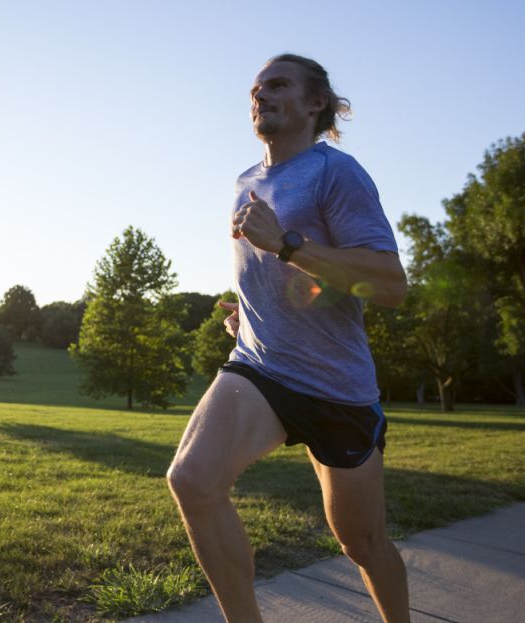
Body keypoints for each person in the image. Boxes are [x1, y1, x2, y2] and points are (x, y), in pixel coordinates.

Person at [166, 54, 410, 623]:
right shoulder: (245, 182)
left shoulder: (336, 173)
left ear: (315, 102)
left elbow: (390, 285)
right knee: (192, 481)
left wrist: (289, 245)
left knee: (361, 543)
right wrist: (249, 318)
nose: (260, 96)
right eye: (255, 89)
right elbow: (276, 281)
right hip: (260, 365)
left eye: (277, 86)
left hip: (337, 387)